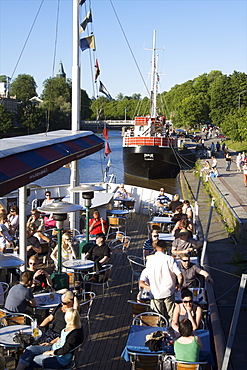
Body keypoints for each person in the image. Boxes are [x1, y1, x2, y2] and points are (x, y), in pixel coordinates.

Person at [15, 308, 83, 370]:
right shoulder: (70, 326)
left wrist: (50, 353)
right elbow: (61, 338)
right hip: (52, 347)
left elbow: (64, 350)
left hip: (59, 359)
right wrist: (50, 343)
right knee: (29, 350)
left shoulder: (74, 334)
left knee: (30, 360)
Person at [139, 240, 183, 322]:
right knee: (172, 316)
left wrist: (151, 287)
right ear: (165, 248)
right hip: (168, 291)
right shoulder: (169, 259)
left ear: (155, 248)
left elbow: (142, 281)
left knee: (157, 317)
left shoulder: (150, 260)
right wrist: (179, 285)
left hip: (155, 292)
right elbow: (180, 275)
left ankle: (159, 330)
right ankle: (172, 330)